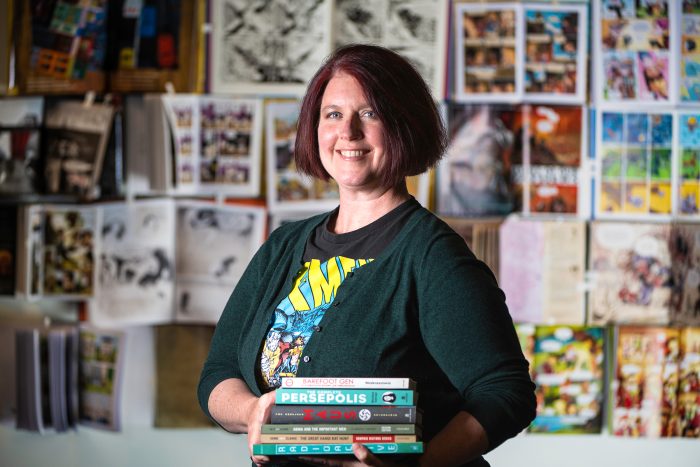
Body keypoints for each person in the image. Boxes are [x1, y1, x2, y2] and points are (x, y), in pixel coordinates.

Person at [198, 44, 535, 467]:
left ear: (404, 126)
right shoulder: (283, 247)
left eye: (370, 113)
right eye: (333, 114)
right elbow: (218, 374)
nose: (349, 132)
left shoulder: (434, 257)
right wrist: (252, 412)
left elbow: (506, 393)